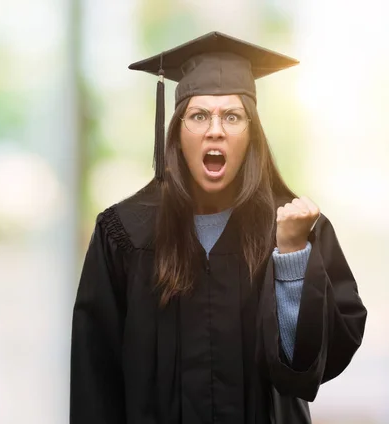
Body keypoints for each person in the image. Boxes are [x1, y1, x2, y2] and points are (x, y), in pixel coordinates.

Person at [69, 31, 367, 424]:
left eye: (231, 116)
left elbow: (308, 371)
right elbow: (94, 379)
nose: (215, 130)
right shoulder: (124, 234)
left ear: (251, 132)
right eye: (199, 115)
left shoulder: (297, 228)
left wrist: (293, 260)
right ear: (176, 130)